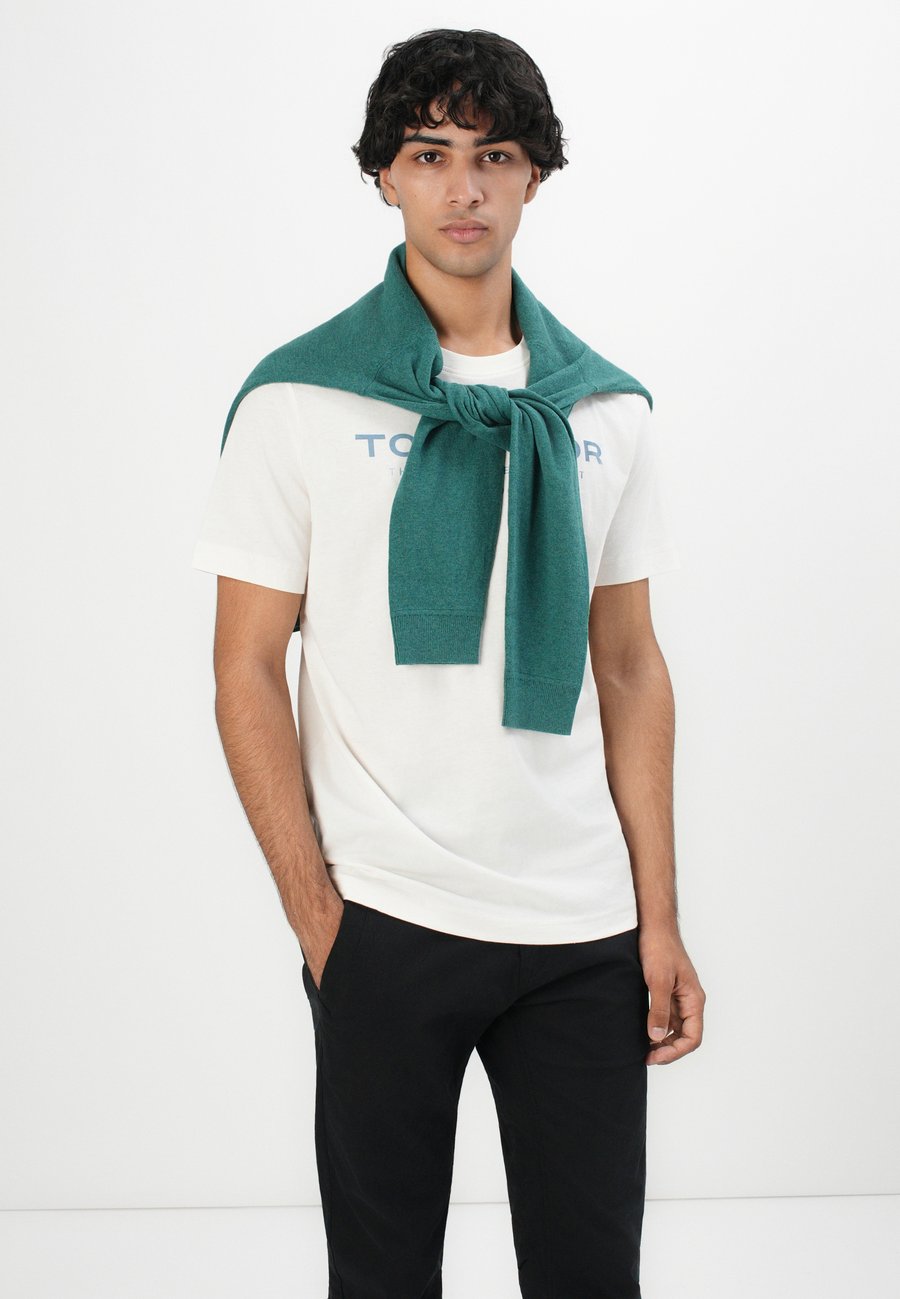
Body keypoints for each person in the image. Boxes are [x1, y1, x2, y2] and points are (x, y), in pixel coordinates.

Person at [192, 26, 705, 1299]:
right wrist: (321, 923)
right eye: (429, 155)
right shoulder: (299, 400)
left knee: (593, 1278)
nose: (463, 188)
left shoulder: (609, 409)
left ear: (536, 176)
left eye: (495, 155)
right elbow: (246, 668)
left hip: (583, 928)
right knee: (382, 1282)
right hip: (386, 918)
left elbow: (631, 667)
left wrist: (659, 920)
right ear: (384, 176)